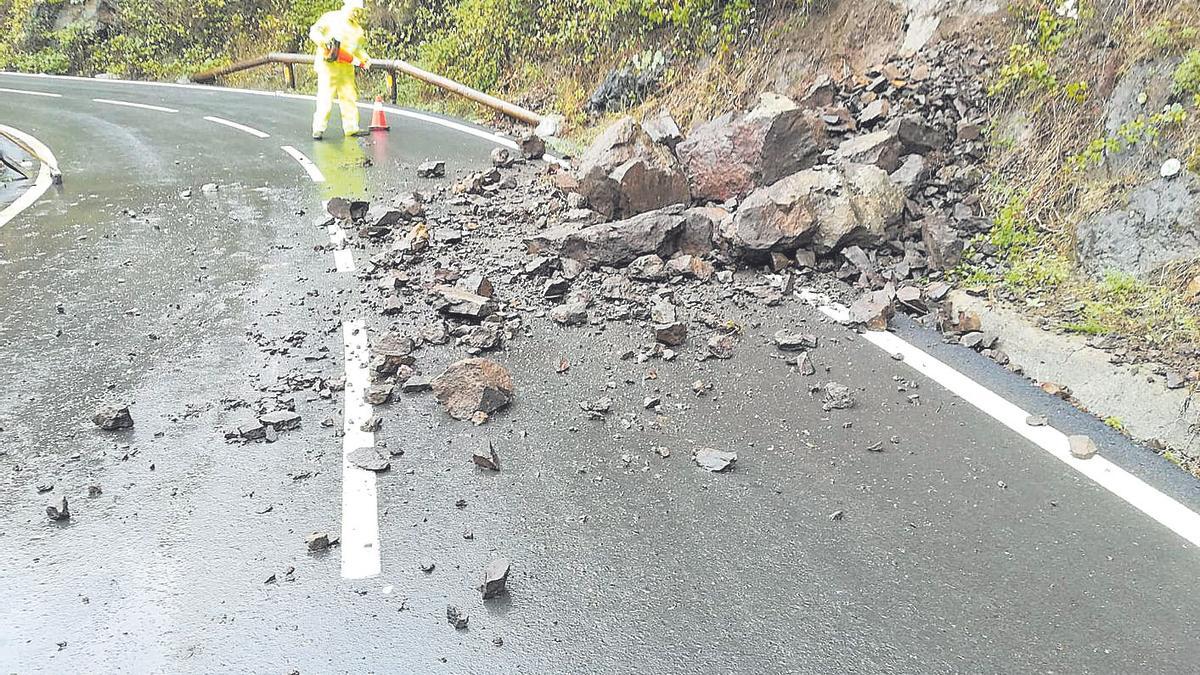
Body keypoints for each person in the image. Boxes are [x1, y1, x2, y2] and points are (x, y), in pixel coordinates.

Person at [309, 0, 371, 140]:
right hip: (328, 67)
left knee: (349, 97)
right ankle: (318, 128)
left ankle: (351, 127)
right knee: (325, 98)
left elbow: (358, 49)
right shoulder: (331, 18)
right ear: (347, 6)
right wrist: (322, 40)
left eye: (359, 11)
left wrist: (365, 58)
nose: (356, 13)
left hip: (346, 69)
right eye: (355, 9)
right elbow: (314, 31)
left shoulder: (358, 31)